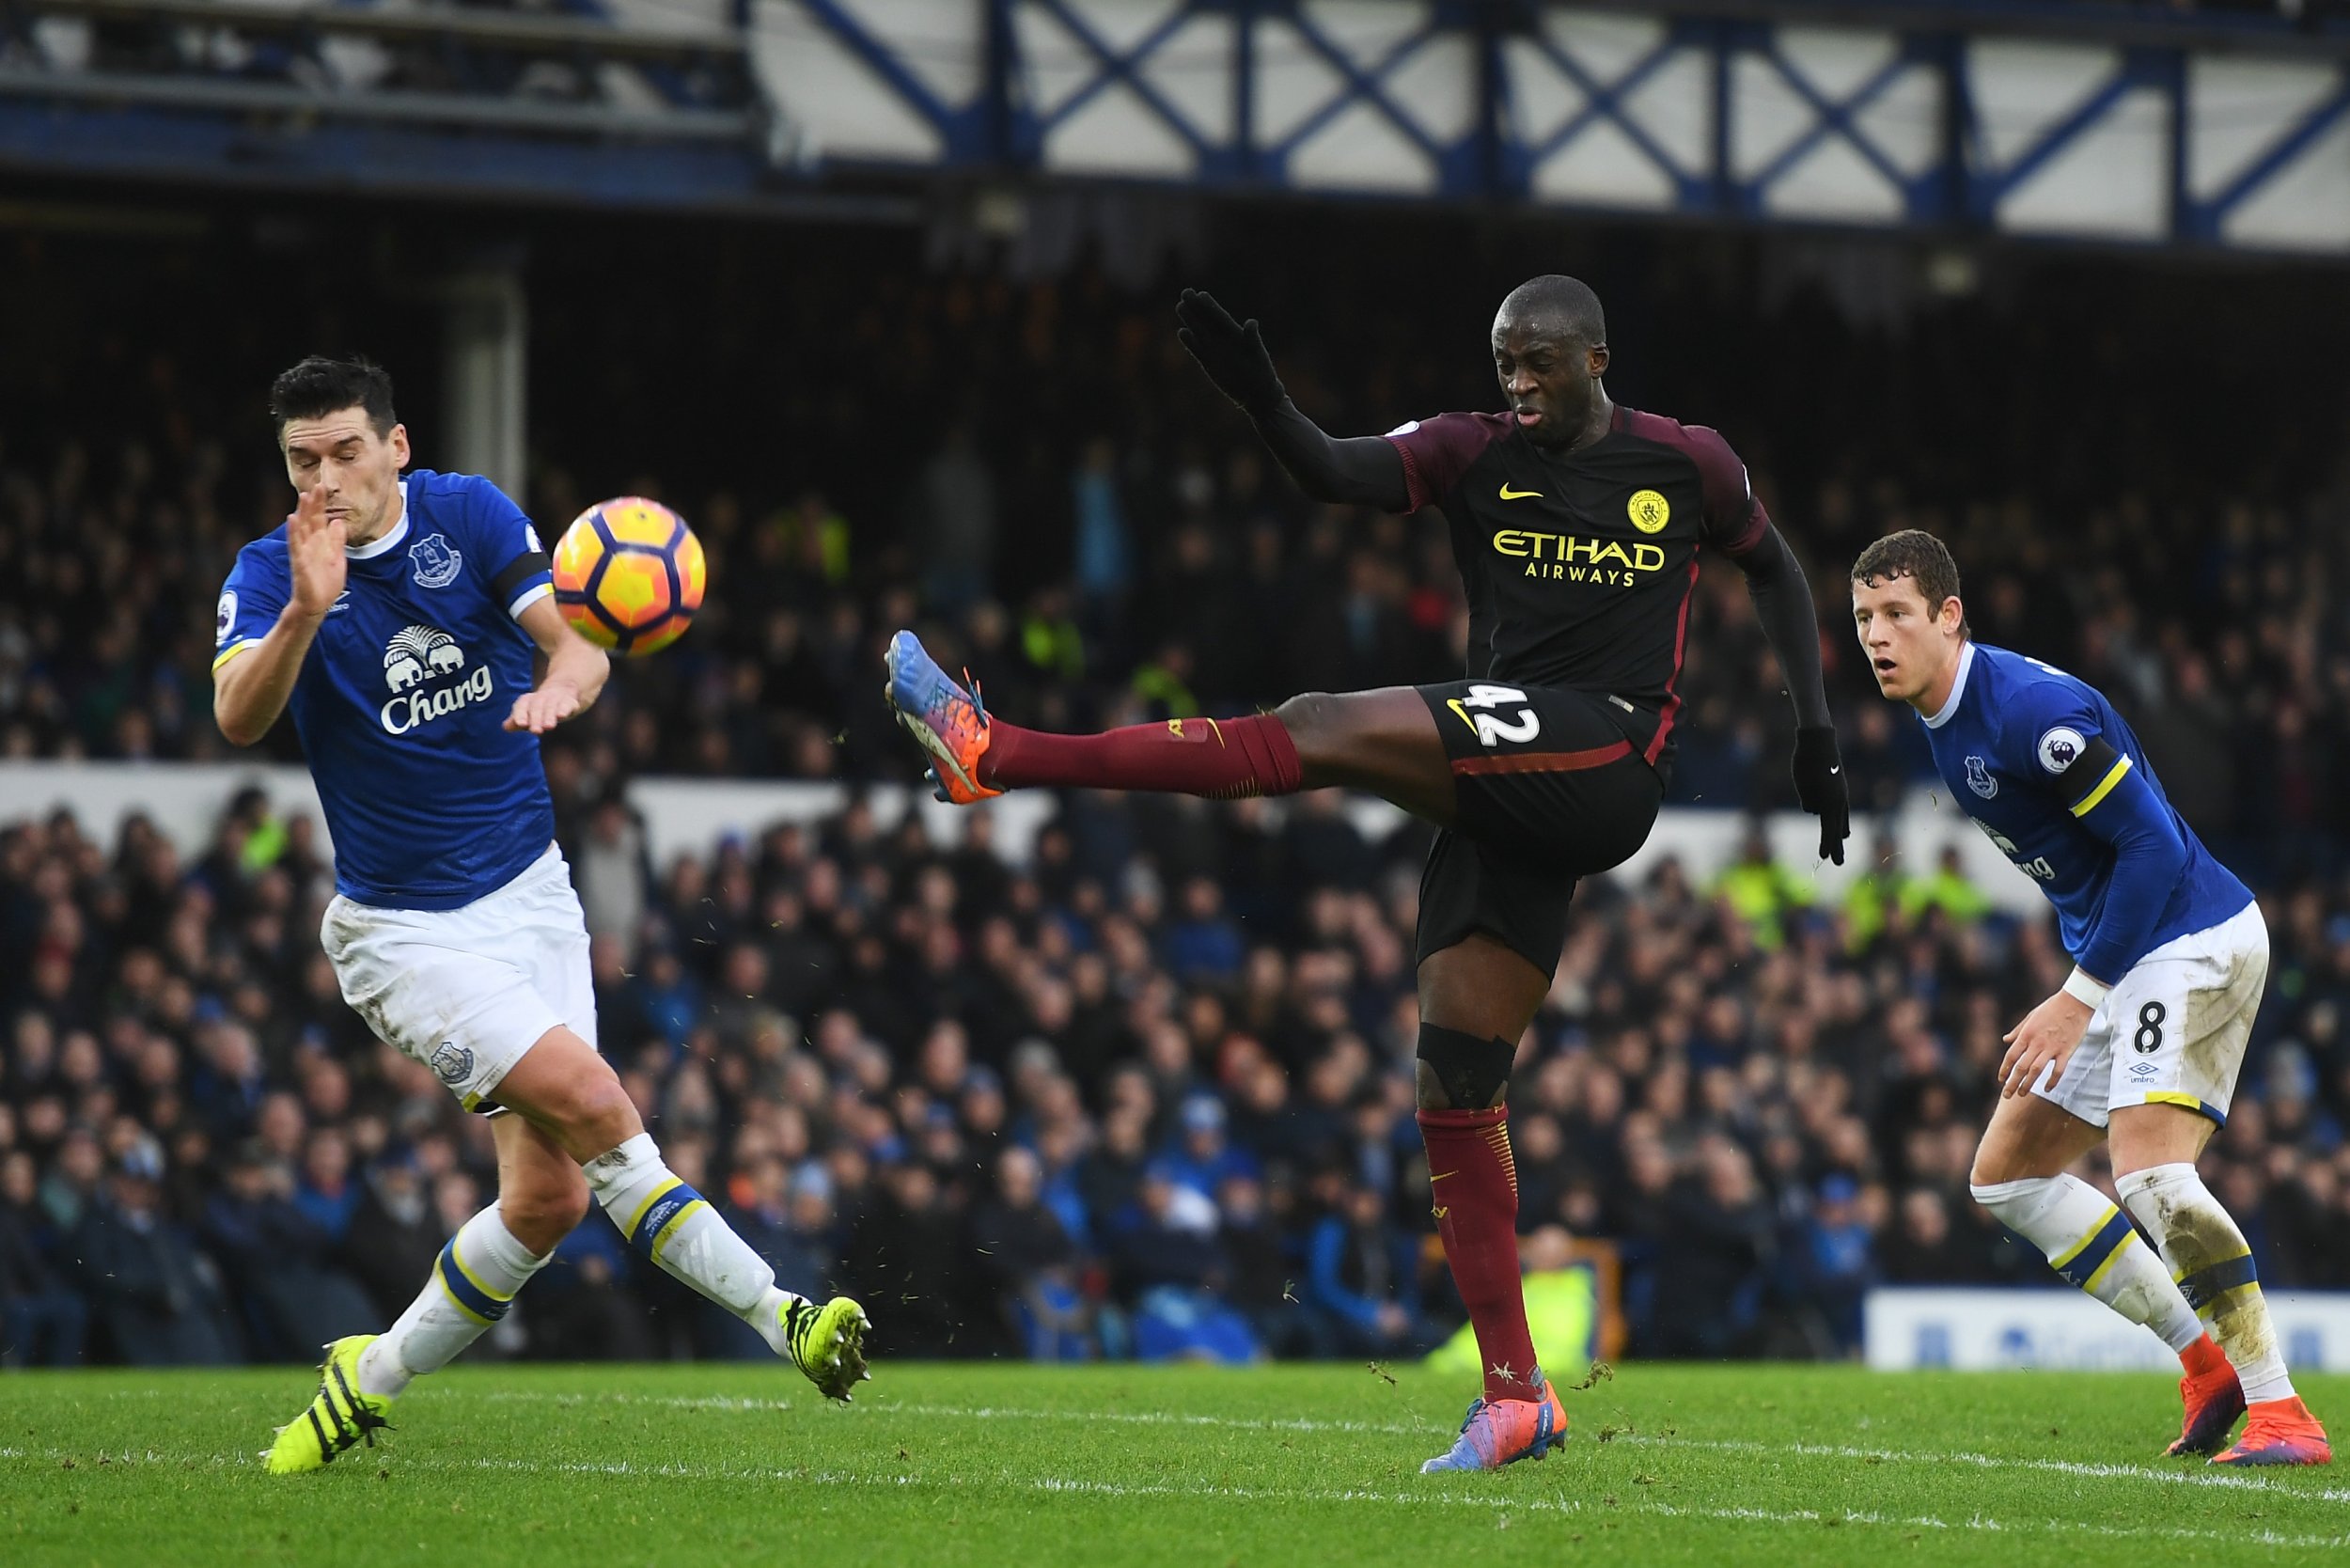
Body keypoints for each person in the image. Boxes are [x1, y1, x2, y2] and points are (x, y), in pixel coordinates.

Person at [885, 277, 1849, 1470]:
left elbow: (1780, 569)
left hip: (1604, 750)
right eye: (1504, 362)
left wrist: (1815, 734)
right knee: (1454, 1082)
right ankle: (1514, 1396)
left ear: (1594, 357)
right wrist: (1266, 403)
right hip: (1515, 791)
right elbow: (1333, 471)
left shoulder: (1685, 465)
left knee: (1323, 724)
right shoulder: (1470, 449)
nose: (1517, 382)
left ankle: (1003, 755)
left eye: (1538, 362)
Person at [214, 355, 867, 1474]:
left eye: (344, 452)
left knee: (548, 1199)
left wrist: (571, 673)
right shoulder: (273, 572)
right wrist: (307, 617)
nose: (323, 480)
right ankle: (789, 1318)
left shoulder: (468, 515)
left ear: (397, 445)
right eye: (301, 460)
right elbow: (236, 715)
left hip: (530, 895)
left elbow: (567, 632)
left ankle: (363, 1382)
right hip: (404, 931)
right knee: (596, 1100)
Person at [1853, 527, 2328, 1466]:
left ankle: (2283, 1415)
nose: (1877, 635)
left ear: (1950, 617)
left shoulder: (2034, 712)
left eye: (1897, 614)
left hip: (2192, 940)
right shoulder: (1938, 718)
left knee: (2150, 1175)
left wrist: (2078, 995)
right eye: (1864, 617)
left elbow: (2150, 848)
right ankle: (2206, 1366)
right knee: (2007, 1177)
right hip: (2125, 958)